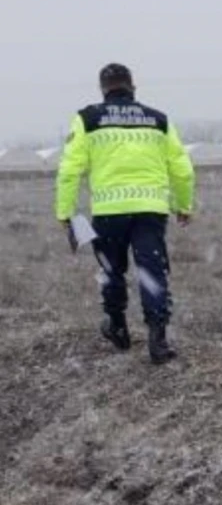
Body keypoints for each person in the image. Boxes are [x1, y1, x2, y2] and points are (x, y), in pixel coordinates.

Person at [54, 63, 196, 364]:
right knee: (151, 271)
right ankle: (158, 340)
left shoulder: (87, 119)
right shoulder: (159, 120)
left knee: (111, 270)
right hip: (150, 211)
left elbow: (69, 171)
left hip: (109, 212)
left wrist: (65, 212)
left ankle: (117, 326)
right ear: (133, 86)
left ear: (103, 89)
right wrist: (183, 206)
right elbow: (182, 169)